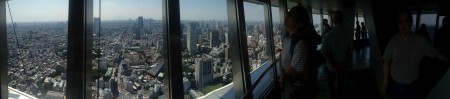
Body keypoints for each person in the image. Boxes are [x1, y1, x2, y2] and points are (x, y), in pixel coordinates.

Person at [380, 9, 448, 99]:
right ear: (398, 25)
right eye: (400, 22)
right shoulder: (393, 41)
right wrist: (385, 83)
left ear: (411, 22)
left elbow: (436, 53)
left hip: (411, 89)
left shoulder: (420, 41)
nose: (403, 24)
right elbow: (386, 62)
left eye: (406, 20)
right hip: (394, 87)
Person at [279, 5, 321, 99]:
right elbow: (283, 54)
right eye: (289, 13)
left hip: (295, 87)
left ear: (300, 23)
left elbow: (294, 71)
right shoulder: (286, 38)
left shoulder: (300, 42)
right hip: (289, 84)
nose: (288, 15)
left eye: (292, 14)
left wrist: (283, 77)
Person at [321, 10, 353, 99]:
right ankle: (340, 95)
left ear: (334, 19)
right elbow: (348, 50)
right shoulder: (347, 33)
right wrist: (342, 61)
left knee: (331, 83)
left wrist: (334, 63)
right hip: (342, 63)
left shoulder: (327, 35)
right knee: (340, 81)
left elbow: (324, 54)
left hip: (331, 65)